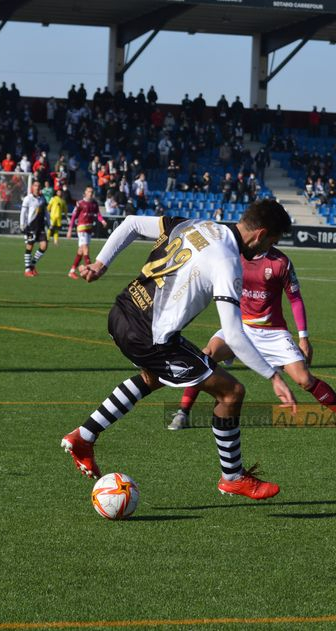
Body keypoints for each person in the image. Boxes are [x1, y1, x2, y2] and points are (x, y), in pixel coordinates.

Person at [60, 200, 298, 500]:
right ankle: (233, 477)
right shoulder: (227, 262)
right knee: (231, 392)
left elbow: (131, 222)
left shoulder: (196, 224)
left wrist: (101, 264)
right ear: (260, 233)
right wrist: (273, 376)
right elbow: (235, 336)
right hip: (148, 335)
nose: (266, 251)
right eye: (270, 243)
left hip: (121, 313)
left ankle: (83, 436)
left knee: (154, 376)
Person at [168, 246, 336, 432]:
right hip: (240, 327)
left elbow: (295, 299)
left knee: (304, 379)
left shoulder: (280, 262)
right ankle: (183, 412)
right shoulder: (234, 254)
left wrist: (303, 338)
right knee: (206, 355)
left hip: (273, 332)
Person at [66, 185, 106, 279]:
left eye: (92, 192)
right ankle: (90, 270)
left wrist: (102, 220)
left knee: (80, 251)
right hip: (81, 228)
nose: (91, 193)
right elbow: (73, 217)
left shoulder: (94, 203)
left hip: (89, 229)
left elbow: (98, 214)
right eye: (89, 191)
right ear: (85, 193)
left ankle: (72, 271)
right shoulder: (80, 203)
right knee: (85, 249)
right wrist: (70, 229)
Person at [20, 179, 49, 277]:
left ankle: (32, 265)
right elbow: (23, 213)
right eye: (35, 186)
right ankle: (27, 269)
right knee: (30, 247)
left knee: (44, 246)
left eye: (39, 186)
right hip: (31, 226)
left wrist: (49, 224)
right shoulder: (28, 198)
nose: (37, 188)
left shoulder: (43, 198)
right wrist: (22, 225)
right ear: (32, 187)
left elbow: (46, 212)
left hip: (40, 226)